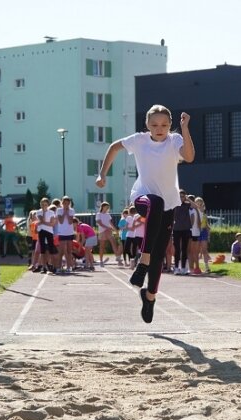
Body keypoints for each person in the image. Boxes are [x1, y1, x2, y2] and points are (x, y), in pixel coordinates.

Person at [96, 104, 195, 323]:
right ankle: (143, 261)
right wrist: (102, 174)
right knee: (155, 202)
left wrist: (185, 128)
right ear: (147, 125)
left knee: (160, 255)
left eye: (164, 125)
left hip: (169, 203)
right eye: (154, 125)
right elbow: (113, 147)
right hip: (143, 197)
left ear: (170, 125)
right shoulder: (139, 140)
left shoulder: (175, 140)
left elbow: (189, 157)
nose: (159, 129)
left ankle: (149, 297)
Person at [95, 201, 122, 267]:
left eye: (108, 207)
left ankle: (118, 258)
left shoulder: (108, 215)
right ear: (103, 207)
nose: (107, 208)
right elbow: (99, 223)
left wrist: (115, 230)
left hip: (109, 231)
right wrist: (107, 228)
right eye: (106, 207)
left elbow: (110, 223)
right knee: (102, 246)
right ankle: (101, 261)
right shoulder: (99, 214)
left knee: (113, 243)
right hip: (102, 232)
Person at [35, 198, 58, 274]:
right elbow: (43, 219)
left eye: (45, 204)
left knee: (51, 249)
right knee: (43, 249)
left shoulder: (51, 212)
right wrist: (44, 213)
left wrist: (41, 223)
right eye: (42, 204)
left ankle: (53, 266)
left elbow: (52, 223)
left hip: (49, 231)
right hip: (41, 231)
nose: (44, 206)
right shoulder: (38, 212)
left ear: (48, 205)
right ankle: (44, 266)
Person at [172, 190, 192, 274]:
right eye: (180, 196)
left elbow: (196, 207)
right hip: (176, 229)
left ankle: (183, 268)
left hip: (186, 229)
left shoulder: (187, 205)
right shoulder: (174, 205)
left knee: (184, 249)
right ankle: (176, 268)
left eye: (183, 196)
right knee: (177, 249)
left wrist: (189, 199)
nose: (181, 198)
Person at [55, 196, 75, 272]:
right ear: (62, 203)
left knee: (69, 251)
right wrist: (65, 212)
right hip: (62, 233)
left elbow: (70, 222)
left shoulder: (72, 210)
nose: (66, 205)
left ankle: (69, 267)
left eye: (68, 203)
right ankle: (59, 267)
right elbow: (61, 221)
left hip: (69, 233)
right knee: (61, 251)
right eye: (65, 203)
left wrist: (68, 212)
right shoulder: (59, 210)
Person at [195, 197, 212, 273]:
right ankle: (196, 267)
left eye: (200, 203)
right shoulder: (194, 212)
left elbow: (206, 224)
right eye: (197, 203)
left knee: (204, 250)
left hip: (203, 232)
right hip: (197, 232)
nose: (199, 204)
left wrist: (208, 231)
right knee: (197, 250)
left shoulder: (204, 213)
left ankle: (207, 267)